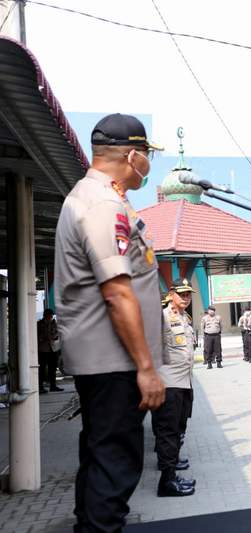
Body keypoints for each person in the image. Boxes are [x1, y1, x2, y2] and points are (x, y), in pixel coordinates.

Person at [54, 113, 166, 531]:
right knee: (114, 469)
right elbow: (118, 293)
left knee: (101, 461)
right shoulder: (102, 204)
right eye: (147, 157)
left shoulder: (99, 198)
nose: (148, 165)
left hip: (105, 362)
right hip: (115, 364)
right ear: (134, 155)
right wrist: (146, 368)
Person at [153, 280, 196, 497]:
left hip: (184, 382)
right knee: (168, 432)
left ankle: (172, 474)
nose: (186, 298)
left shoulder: (184, 317)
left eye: (188, 294)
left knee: (179, 429)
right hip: (168, 383)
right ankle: (166, 482)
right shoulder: (162, 317)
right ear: (171, 294)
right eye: (182, 294)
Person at [37, 309, 63, 393]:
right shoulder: (39, 324)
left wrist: (55, 336)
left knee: (53, 368)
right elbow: (37, 335)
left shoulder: (55, 324)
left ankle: (53, 386)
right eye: (49, 316)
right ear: (45, 315)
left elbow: (58, 333)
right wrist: (43, 337)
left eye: (51, 316)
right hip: (43, 349)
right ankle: (40, 387)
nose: (51, 317)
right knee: (42, 369)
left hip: (53, 349)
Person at [201, 304, 223, 369]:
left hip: (216, 335)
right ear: (208, 311)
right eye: (210, 310)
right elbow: (202, 327)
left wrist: (219, 332)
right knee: (208, 349)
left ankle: (219, 363)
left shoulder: (218, 317)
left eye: (213, 310)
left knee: (218, 349)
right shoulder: (204, 318)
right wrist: (204, 335)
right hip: (208, 336)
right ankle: (209, 363)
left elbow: (221, 326)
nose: (211, 311)